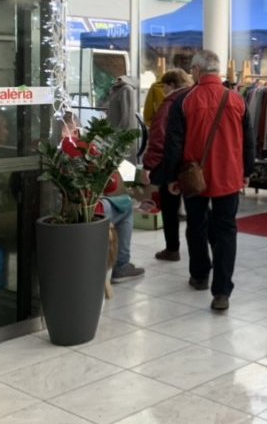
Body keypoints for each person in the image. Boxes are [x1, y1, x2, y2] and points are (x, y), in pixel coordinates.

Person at [162, 50, 254, 312]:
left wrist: (171, 177)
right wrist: (247, 170)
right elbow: (248, 141)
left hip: (194, 177)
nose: (191, 73)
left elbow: (174, 144)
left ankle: (200, 275)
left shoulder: (185, 101)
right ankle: (222, 291)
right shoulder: (237, 100)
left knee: (196, 225)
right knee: (226, 231)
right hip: (229, 174)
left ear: (198, 70)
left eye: (192, 69)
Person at [60, 112, 145, 283]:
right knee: (126, 206)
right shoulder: (82, 146)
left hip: (57, 213)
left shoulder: (40, 148)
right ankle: (121, 266)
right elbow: (110, 184)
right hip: (89, 213)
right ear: (75, 129)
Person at [142, 68, 193, 261]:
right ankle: (201, 254)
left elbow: (158, 137)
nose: (162, 89)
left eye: (163, 85)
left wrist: (148, 164)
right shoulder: (193, 99)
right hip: (192, 164)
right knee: (196, 209)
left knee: (170, 208)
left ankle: (172, 248)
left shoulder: (169, 104)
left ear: (170, 85)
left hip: (170, 164)